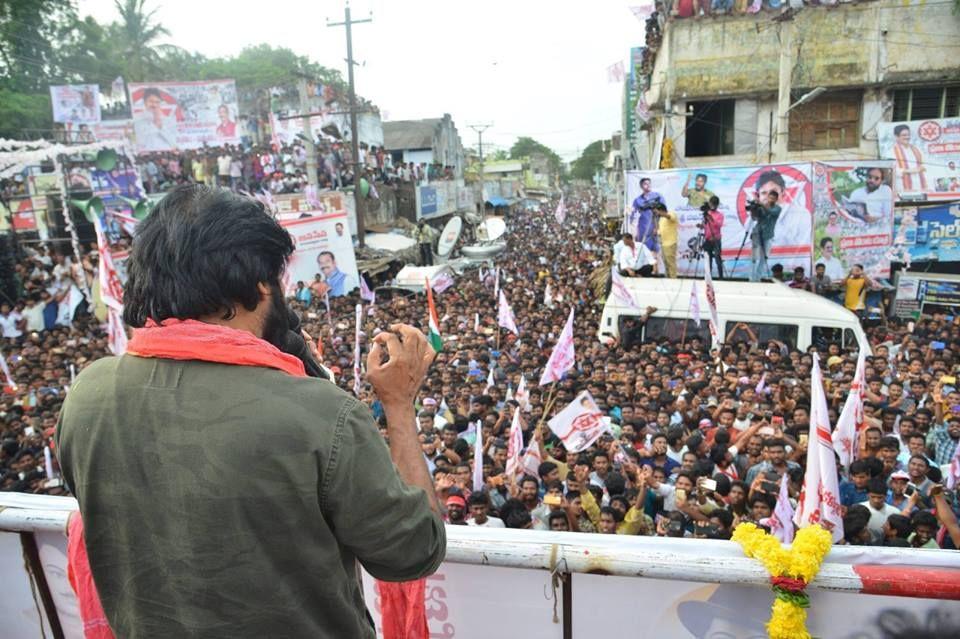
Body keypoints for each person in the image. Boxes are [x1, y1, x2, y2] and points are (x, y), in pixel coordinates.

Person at [55, 185, 445, 638]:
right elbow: (414, 551)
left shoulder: (88, 395)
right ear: (261, 286)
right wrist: (398, 406)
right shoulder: (321, 415)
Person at [748, 171, 782, 282]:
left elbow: (770, 212)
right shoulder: (763, 206)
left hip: (768, 236)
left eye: (772, 198)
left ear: (776, 199)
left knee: (764, 259)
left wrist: (761, 204)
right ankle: (751, 278)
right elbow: (755, 218)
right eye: (769, 197)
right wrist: (754, 208)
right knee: (754, 258)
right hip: (757, 233)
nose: (770, 199)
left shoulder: (777, 208)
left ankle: (757, 279)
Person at [133, 87, 178, 152]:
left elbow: (173, 142)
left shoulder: (168, 119)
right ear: (145, 102)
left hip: (165, 155)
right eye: (151, 101)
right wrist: (155, 123)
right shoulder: (137, 118)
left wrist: (160, 125)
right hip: (146, 155)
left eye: (157, 102)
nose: (154, 105)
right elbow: (140, 140)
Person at [629, 177, 664, 254]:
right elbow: (633, 217)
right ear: (641, 186)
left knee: (658, 254)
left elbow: (664, 213)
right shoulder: (637, 200)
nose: (648, 185)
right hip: (644, 232)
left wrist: (657, 227)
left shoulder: (657, 197)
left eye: (649, 183)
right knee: (645, 254)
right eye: (645, 184)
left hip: (657, 231)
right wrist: (634, 232)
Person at [891, 124, 927, 193]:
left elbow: (925, 165)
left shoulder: (916, 149)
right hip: (902, 187)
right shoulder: (891, 151)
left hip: (919, 185)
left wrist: (922, 168)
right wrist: (911, 171)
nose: (907, 137)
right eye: (904, 135)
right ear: (896, 137)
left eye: (908, 135)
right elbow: (893, 170)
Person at [701, 195, 724, 279]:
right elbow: (705, 225)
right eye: (711, 204)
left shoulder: (720, 215)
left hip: (716, 239)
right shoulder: (708, 213)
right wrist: (701, 225)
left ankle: (721, 277)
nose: (712, 206)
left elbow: (718, 225)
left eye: (714, 204)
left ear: (717, 205)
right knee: (708, 259)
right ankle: (708, 277)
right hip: (708, 239)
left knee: (718, 259)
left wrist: (710, 218)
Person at [654, 202, 679, 278]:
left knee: (671, 264)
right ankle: (668, 279)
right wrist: (656, 231)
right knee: (666, 264)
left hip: (670, 243)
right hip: (663, 243)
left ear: (661, 210)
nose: (657, 214)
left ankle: (673, 280)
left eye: (658, 211)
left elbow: (669, 217)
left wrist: (660, 213)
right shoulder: (661, 219)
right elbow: (661, 231)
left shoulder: (671, 214)